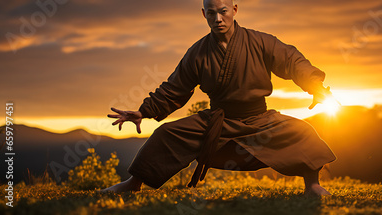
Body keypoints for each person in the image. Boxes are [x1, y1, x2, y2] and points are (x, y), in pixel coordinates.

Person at [102, 0, 336, 196]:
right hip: (217, 120)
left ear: (234, 9)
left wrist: (315, 85)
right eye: (211, 13)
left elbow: (292, 61)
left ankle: (312, 185)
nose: (218, 19)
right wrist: (144, 111)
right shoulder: (198, 52)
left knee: (302, 132)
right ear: (204, 14)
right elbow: (175, 87)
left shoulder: (261, 42)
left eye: (223, 11)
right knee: (166, 134)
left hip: (259, 117)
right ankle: (133, 183)